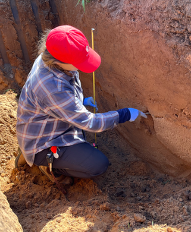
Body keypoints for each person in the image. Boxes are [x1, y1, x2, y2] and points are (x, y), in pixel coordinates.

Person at [16, 25, 146, 185]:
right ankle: (48, 164)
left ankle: (42, 156)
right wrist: (125, 114)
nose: (82, 65)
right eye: (79, 62)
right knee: (98, 165)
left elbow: (55, 102)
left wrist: (80, 101)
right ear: (60, 61)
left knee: (85, 143)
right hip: (43, 141)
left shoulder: (50, 58)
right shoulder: (52, 87)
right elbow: (91, 123)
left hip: (47, 124)